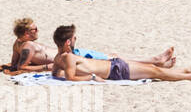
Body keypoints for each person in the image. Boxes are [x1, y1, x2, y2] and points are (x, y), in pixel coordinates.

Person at [8, 18, 177, 73]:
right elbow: (21, 67)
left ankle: (158, 62)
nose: (37, 30)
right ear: (25, 33)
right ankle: (155, 60)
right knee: (113, 59)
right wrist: (46, 67)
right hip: (74, 58)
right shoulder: (28, 46)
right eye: (33, 29)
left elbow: (14, 63)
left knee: (112, 57)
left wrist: (10, 67)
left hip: (70, 55)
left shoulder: (18, 44)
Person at [48, 24, 191, 81]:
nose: (76, 39)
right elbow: (70, 77)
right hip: (115, 71)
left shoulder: (59, 57)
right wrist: (91, 76)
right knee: (156, 72)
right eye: (74, 38)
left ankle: (185, 71)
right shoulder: (68, 57)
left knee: (153, 68)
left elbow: (56, 74)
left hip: (114, 65)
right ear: (68, 42)